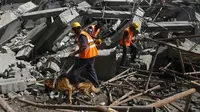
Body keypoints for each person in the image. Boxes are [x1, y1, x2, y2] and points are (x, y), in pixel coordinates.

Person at [67, 22, 100, 88]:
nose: (73, 32)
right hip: (92, 55)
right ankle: (96, 86)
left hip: (86, 57)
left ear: (76, 29)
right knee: (91, 71)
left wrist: (74, 53)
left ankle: (78, 85)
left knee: (74, 72)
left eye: (74, 30)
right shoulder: (84, 33)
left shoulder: (82, 35)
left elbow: (84, 47)